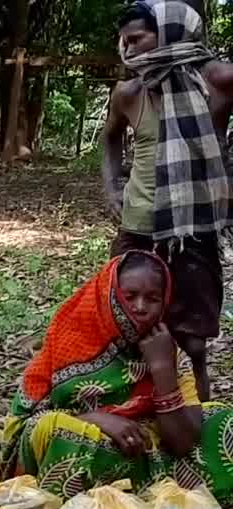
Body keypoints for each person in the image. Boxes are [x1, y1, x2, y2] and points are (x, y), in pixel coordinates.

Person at [4, 252, 231, 509]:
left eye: (153, 299)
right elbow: (23, 427)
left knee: (222, 419)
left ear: (164, 302)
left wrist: (161, 368)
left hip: (145, 454)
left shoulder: (166, 349)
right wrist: (96, 419)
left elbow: (183, 442)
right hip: (91, 457)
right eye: (130, 296)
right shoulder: (71, 342)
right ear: (109, 295)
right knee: (66, 434)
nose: (141, 307)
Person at [102, 0, 233, 399]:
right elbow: (109, 140)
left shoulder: (218, 81)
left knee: (192, 342)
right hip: (139, 226)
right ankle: (135, 408)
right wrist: (111, 187)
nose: (127, 50)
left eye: (137, 39)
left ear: (171, 34)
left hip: (193, 228)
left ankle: (197, 421)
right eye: (123, 42)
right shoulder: (129, 92)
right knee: (122, 325)